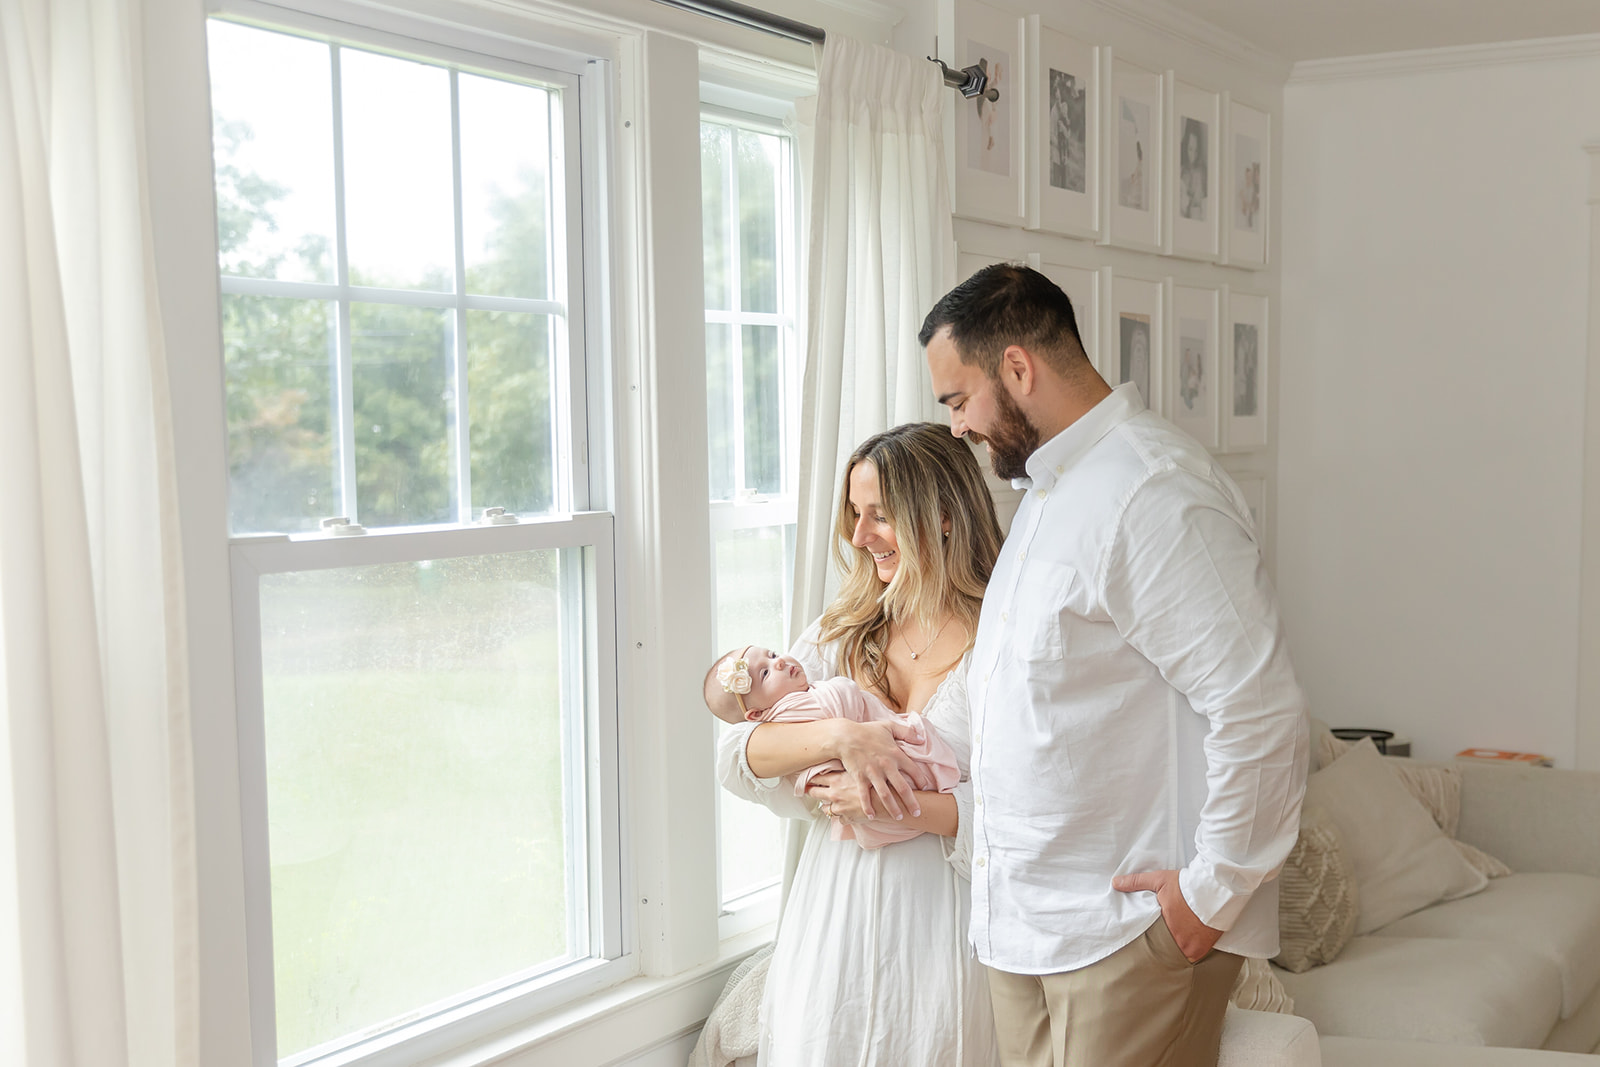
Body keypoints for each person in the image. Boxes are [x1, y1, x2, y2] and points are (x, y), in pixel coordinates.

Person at [920, 263, 1308, 1067]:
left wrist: (1208, 899)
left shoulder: (1154, 492)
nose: (955, 426)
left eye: (958, 400)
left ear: (1017, 368)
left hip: (1129, 932)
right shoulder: (1048, 493)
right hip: (1026, 926)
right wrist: (879, 738)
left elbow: (1259, 709)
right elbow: (1006, 683)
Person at [715, 421, 1005, 1066]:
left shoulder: (1005, 638)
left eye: (880, 514)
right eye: (854, 513)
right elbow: (739, 756)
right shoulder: (843, 631)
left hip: (948, 929)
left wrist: (885, 801)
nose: (858, 535)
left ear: (946, 515)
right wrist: (846, 736)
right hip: (833, 920)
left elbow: (1030, 808)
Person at [703, 644, 960, 849]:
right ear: (757, 715)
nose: (779, 661)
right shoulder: (790, 710)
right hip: (875, 795)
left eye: (772, 654)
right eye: (766, 673)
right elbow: (843, 698)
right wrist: (842, 730)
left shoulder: (791, 705)